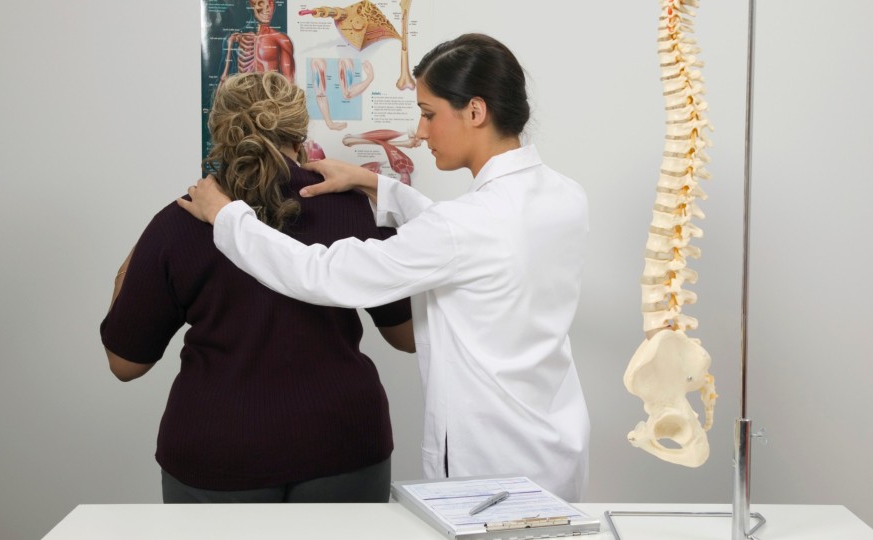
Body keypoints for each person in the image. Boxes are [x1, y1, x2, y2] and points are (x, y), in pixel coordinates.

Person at [179, 33, 591, 501]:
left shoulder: (465, 227)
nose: (419, 131)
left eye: (430, 113)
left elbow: (322, 273)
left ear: (476, 112)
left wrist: (227, 217)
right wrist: (376, 185)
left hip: (491, 470)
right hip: (556, 445)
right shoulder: (565, 197)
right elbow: (477, 239)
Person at [101, 71, 414, 503]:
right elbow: (407, 336)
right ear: (300, 135)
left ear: (220, 135)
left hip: (218, 449)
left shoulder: (181, 221)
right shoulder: (350, 207)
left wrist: (146, 245)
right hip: (342, 441)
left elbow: (125, 363)